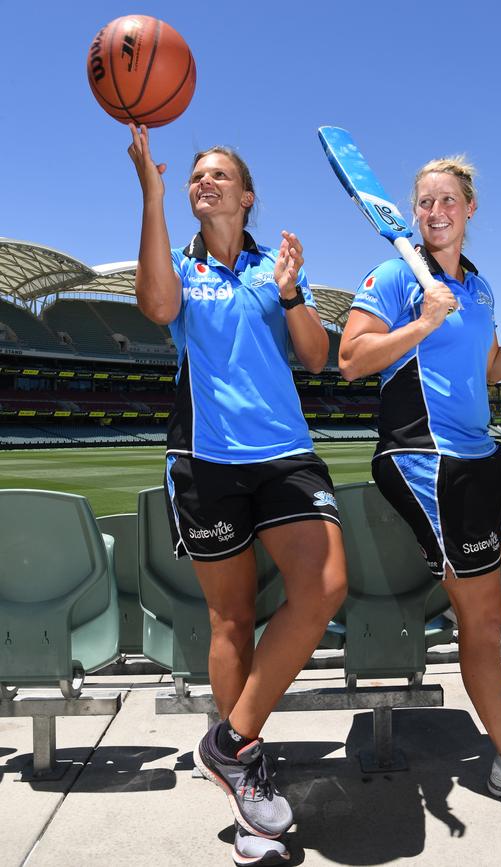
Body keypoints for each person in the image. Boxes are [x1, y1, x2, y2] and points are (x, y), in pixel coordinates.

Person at [339, 155, 501, 814]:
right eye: (425, 202)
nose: (435, 212)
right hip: (423, 456)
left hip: (481, 453)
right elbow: (350, 360)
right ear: (413, 211)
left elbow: (493, 365)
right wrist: (423, 320)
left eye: (447, 201)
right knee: (483, 619)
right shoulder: (399, 274)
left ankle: (465, 555)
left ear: (469, 209)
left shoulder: (479, 289)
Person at [128, 124, 347, 862]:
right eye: (196, 177)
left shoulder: (276, 269)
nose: (205, 182)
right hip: (205, 458)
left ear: (247, 196)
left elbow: (317, 356)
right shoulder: (180, 263)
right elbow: (158, 309)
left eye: (219, 175)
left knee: (323, 585)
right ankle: (251, 794)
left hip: (285, 453)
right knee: (231, 622)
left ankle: (226, 743)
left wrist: (290, 295)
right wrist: (152, 197)